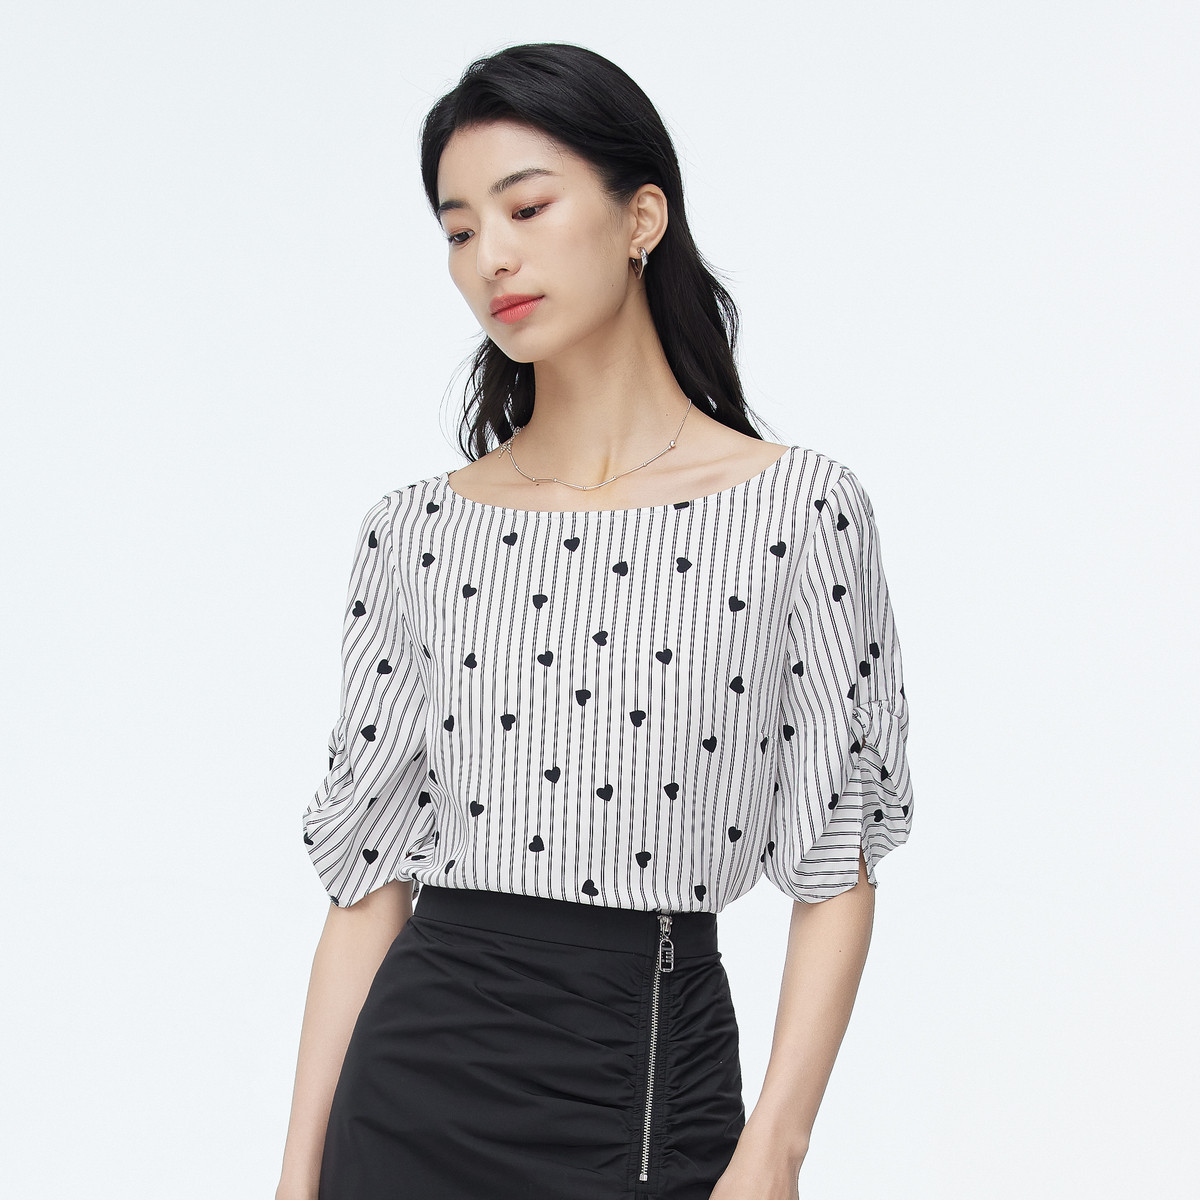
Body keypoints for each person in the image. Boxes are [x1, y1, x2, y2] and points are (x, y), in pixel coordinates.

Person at [276, 42, 915, 1200]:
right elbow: (366, 888)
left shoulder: (799, 510)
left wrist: (776, 1149)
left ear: (641, 218)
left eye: (525, 208)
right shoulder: (414, 532)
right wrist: (296, 1178)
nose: (490, 257)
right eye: (459, 230)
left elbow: (837, 857)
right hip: (410, 1093)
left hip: (647, 1083)